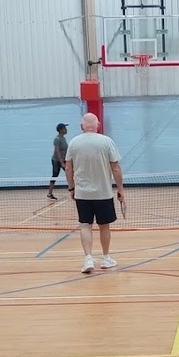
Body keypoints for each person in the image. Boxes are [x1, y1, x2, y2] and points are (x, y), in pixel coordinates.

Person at [65, 113, 124, 274]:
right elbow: (116, 167)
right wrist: (120, 189)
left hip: (82, 194)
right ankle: (105, 258)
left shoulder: (73, 143)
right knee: (104, 226)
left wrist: (71, 188)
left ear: (81, 125)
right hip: (103, 193)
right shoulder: (107, 141)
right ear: (97, 125)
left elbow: (68, 167)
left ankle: (88, 258)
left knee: (85, 225)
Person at [47, 122, 68, 200]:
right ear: (61, 130)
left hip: (64, 160)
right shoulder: (57, 139)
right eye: (64, 128)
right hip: (56, 161)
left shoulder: (63, 138)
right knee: (55, 176)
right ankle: (49, 193)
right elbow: (57, 151)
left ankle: (73, 190)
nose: (66, 130)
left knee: (70, 174)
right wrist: (62, 163)